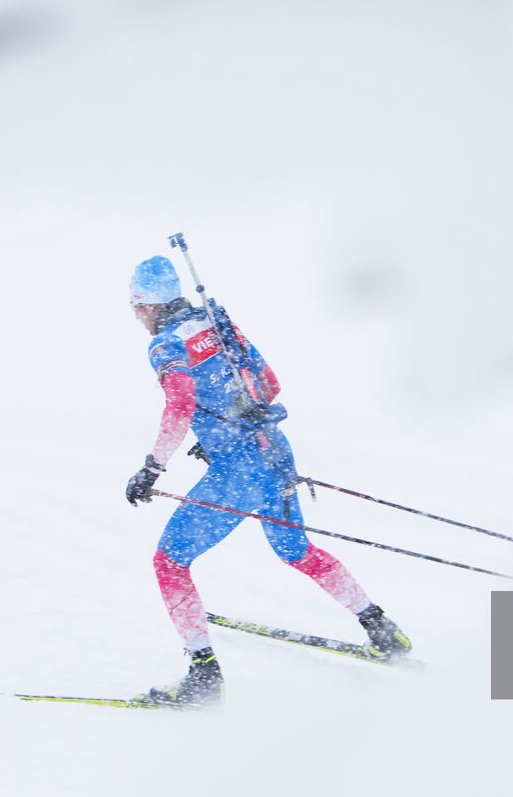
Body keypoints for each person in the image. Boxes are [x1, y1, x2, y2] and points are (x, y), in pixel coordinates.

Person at [124, 256, 411, 706]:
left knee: (170, 563)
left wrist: (152, 468)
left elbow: (179, 406)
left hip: (238, 473)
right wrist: (220, 433)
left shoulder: (164, 345)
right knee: (297, 551)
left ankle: (203, 678)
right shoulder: (214, 321)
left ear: (152, 303)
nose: (136, 316)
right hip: (274, 452)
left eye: (136, 306)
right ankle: (381, 629)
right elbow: (268, 384)